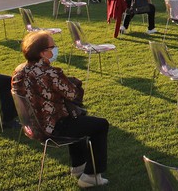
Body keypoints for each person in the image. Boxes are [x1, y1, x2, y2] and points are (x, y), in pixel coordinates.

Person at [12, 31, 109, 188]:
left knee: (76, 120)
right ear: (43, 52)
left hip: (32, 126)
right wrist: (73, 82)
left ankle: (79, 166)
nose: (55, 49)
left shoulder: (20, 70)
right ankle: (90, 176)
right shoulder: (50, 73)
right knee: (100, 124)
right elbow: (73, 94)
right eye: (53, 46)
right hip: (52, 127)